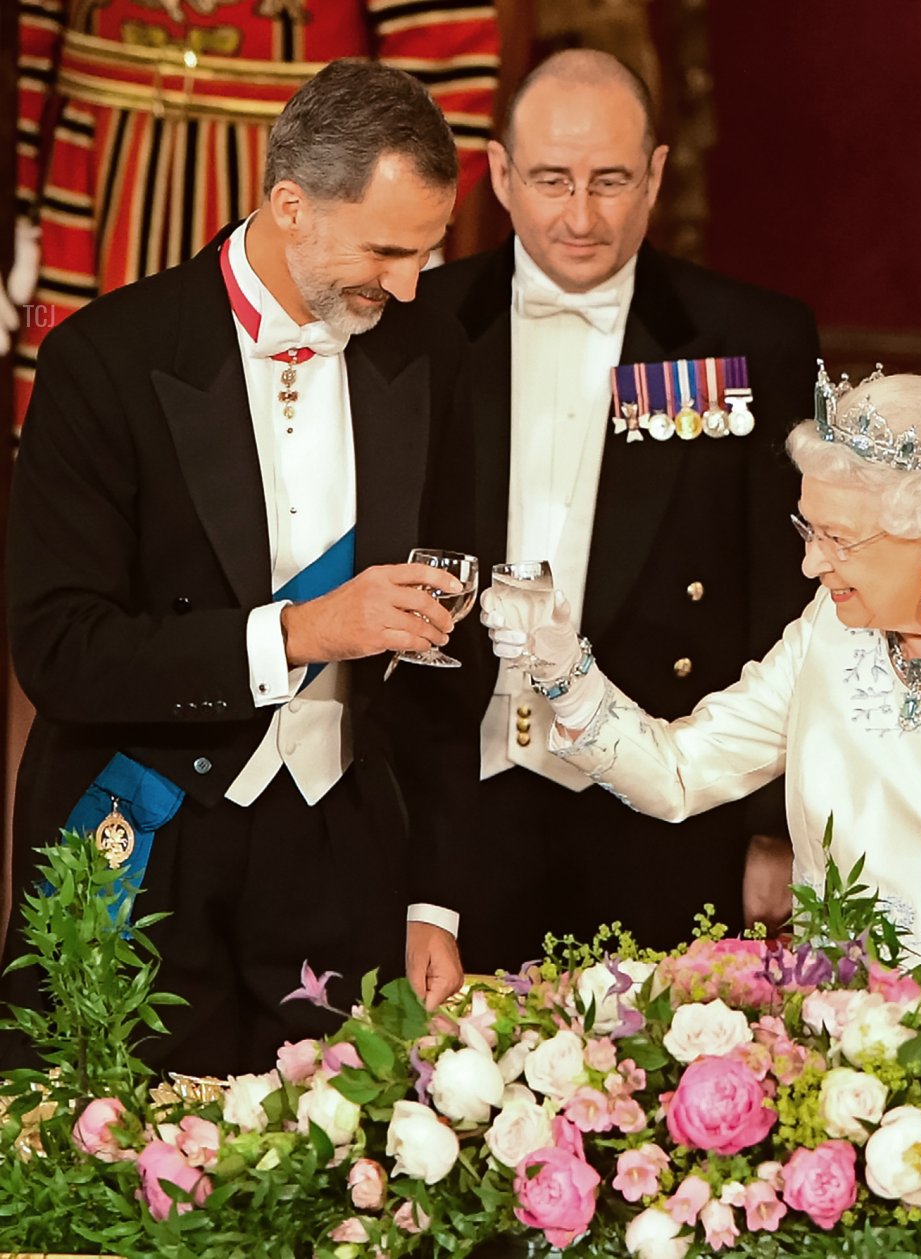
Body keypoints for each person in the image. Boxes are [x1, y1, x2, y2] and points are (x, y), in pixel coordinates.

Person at [484, 365, 921, 1070]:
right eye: (806, 527)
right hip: (842, 1092)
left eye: (837, 538)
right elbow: (679, 771)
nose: (808, 563)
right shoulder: (832, 626)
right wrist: (563, 671)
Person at [3, 60, 478, 1077]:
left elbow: (452, 653)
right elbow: (59, 648)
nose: (404, 284)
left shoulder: (429, 350)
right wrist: (303, 633)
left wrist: (433, 897)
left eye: (425, 252)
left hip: (338, 851)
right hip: (139, 836)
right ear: (290, 205)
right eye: (386, 249)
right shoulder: (104, 358)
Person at [415, 49, 819, 972]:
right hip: (460, 792)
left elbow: (790, 592)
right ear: (502, 174)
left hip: (667, 799)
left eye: (610, 181)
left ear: (657, 177)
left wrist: (772, 826)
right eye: (553, 181)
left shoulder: (750, 338)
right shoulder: (421, 323)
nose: (582, 216)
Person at [5, 0, 501, 425]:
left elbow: (445, 40)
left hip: (308, 170)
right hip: (92, 174)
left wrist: (400, 226)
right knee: (75, 414)